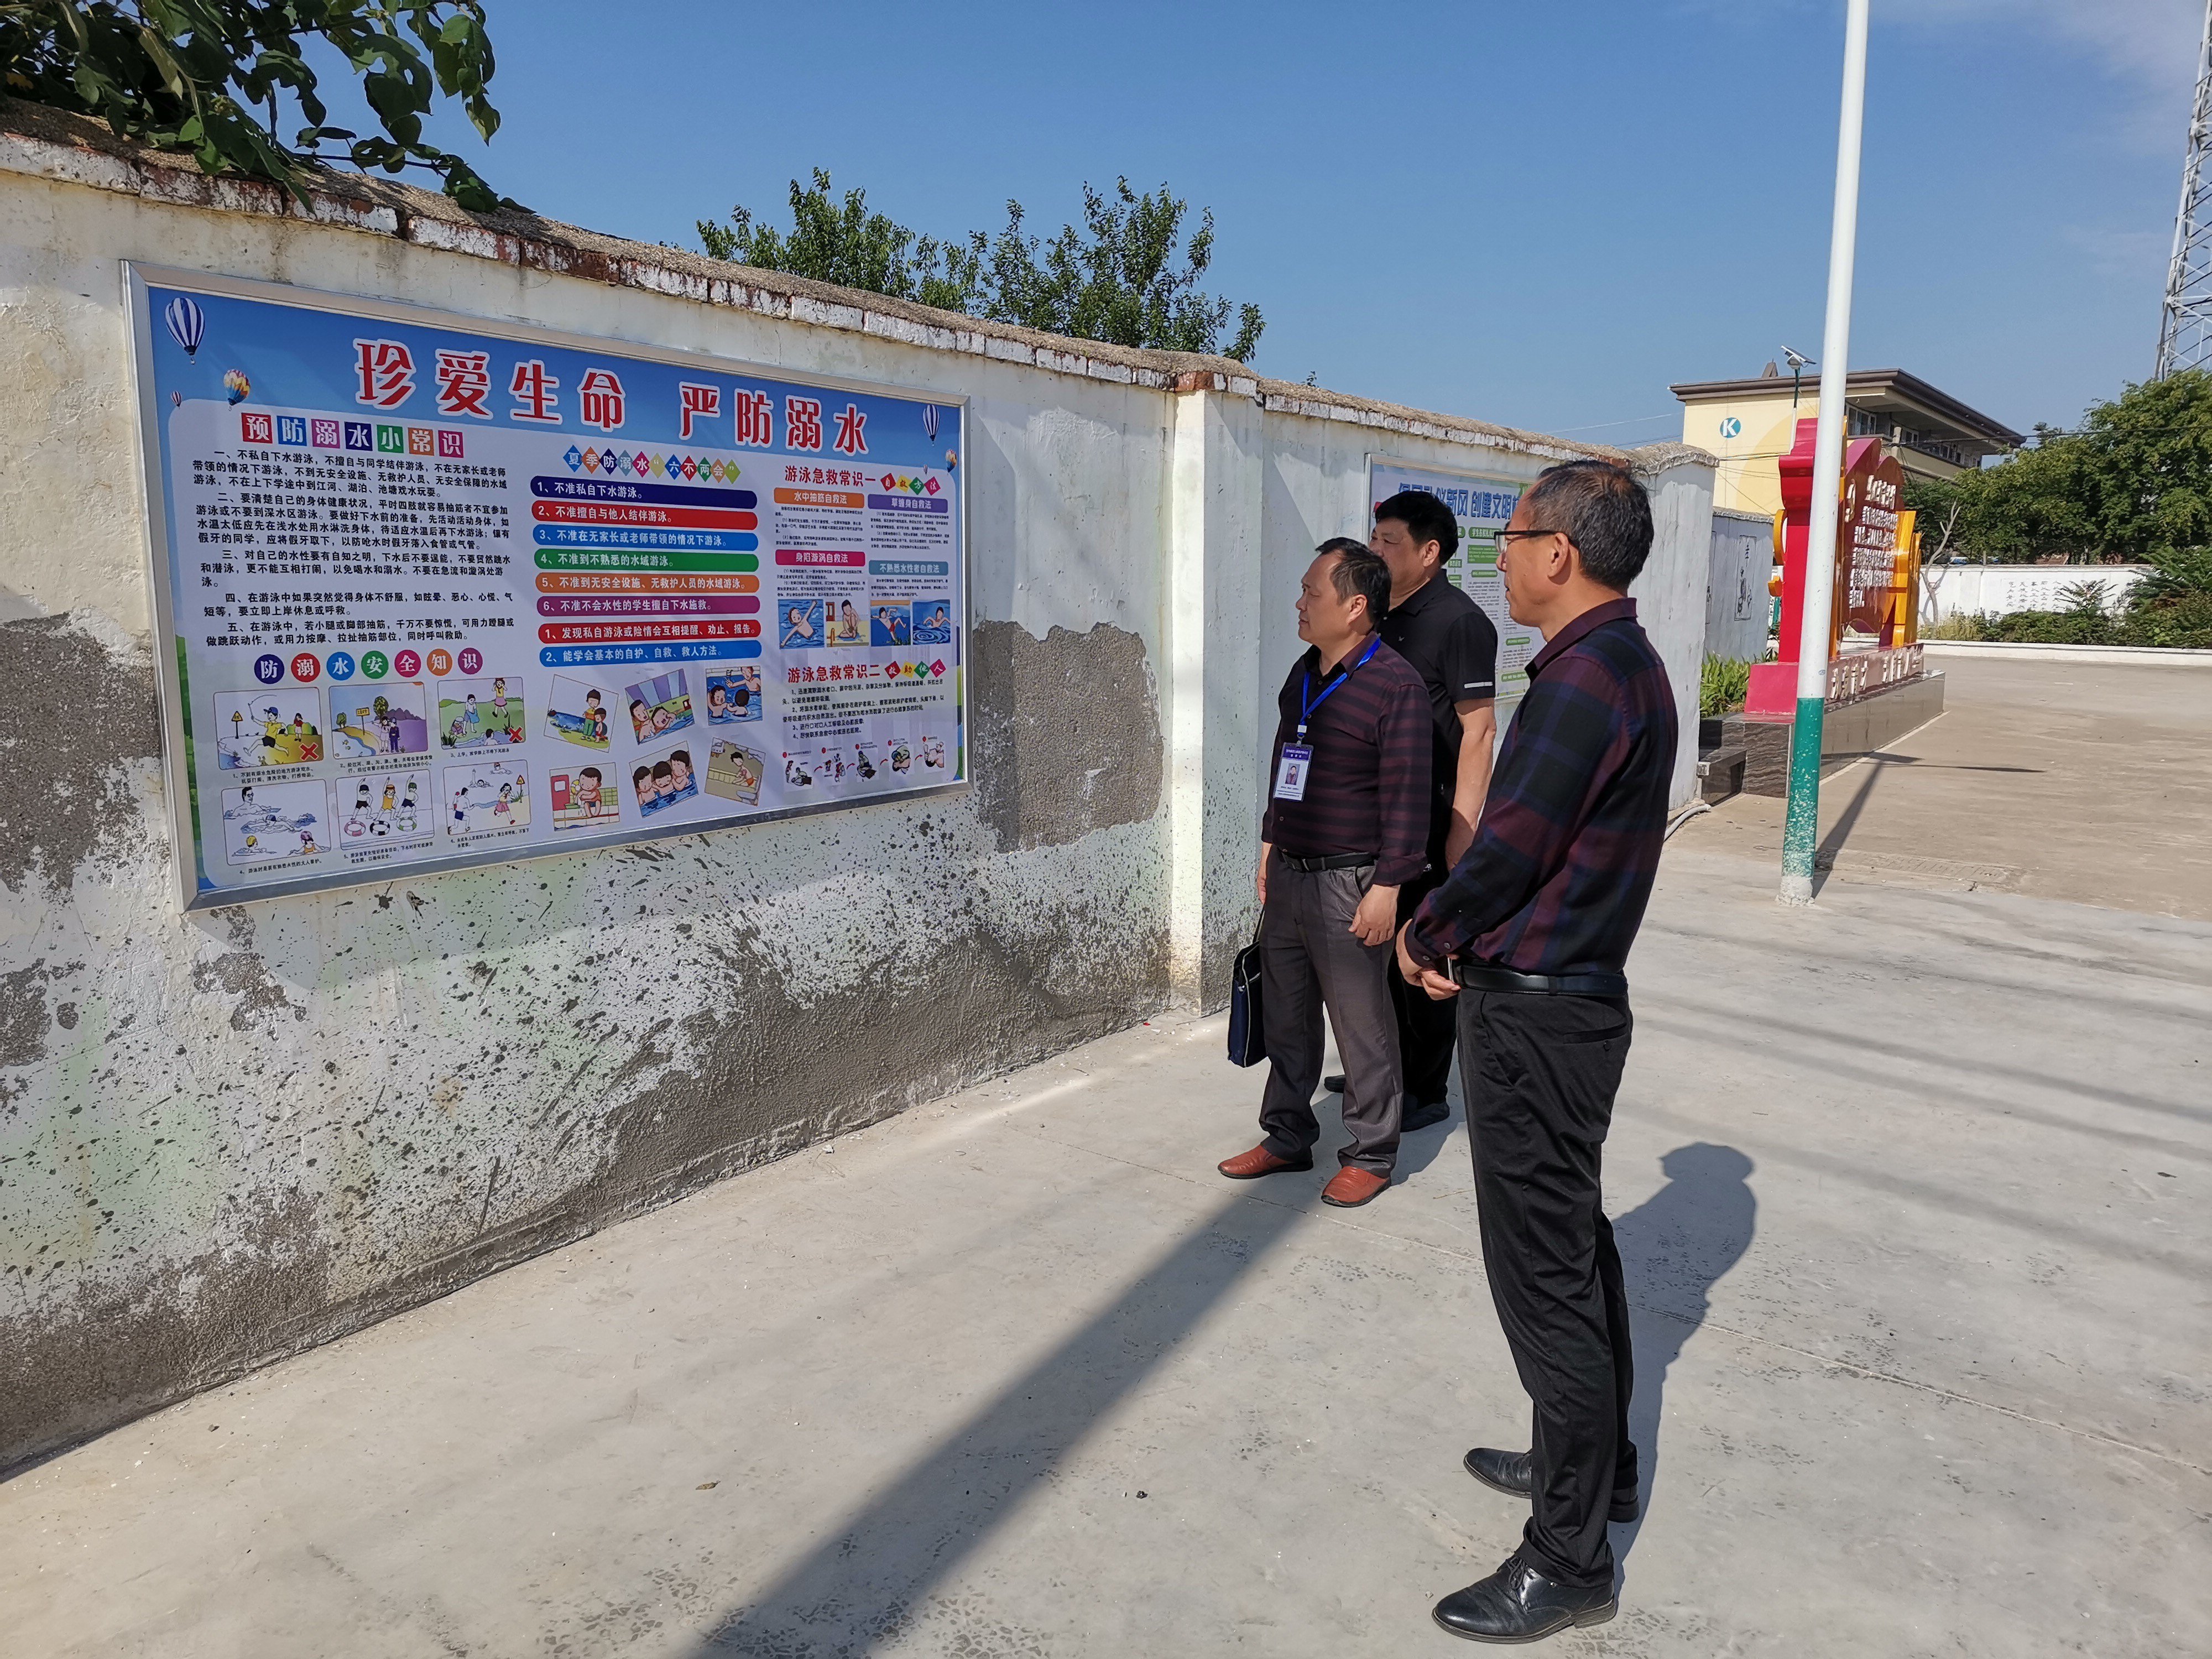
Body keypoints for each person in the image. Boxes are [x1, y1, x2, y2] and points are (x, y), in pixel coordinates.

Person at [1394, 460, 1678, 1644]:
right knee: (1576, 1250)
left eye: (1506, 539)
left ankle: (1568, 1559)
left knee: (1544, 1283)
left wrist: (1428, 930)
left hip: (1539, 1018)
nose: (1497, 559)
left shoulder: (1584, 679)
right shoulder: (1620, 663)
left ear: (1558, 551)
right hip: (1569, 1006)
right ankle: (1596, 1469)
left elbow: (1510, 851)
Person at [1217, 540, 1431, 1209]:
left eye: (1313, 592)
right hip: (1289, 871)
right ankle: (1286, 1134)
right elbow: (1286, 756)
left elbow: (1408, 795)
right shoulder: (1304, 673)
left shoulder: (1395, 685)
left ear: (1356, 606)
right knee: (1286, 1017)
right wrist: (1268, 843)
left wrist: (1388, 887)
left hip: (1351, 882)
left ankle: (1371, 1152)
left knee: (1361, 1026)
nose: (1300, 603)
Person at [1322, 491, 1499, 1133]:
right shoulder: (1374, 613)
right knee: (1370, 953)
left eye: (1388, 541)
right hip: (1370, 819)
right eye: (1373, 538)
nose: (1375, 550)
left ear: (1429, 553)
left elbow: (1479, 730)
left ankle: (1423, 1090)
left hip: (1428, 818)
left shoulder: (1458, 622)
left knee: (1421, 951)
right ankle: (1378, 1071)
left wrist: (1461, 828)